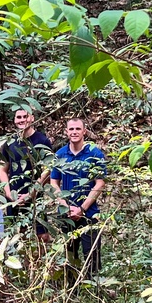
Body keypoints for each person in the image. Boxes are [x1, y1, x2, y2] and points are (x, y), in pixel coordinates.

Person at [50, 118, 106, 280]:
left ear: (84, 132)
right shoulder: (60, 154)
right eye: (71, 129)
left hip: (89, 214)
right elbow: (54, 181)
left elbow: (100, 182)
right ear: (66, 132)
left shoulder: (94, 153)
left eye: (77, 129)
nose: (74, 132)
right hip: (66, 214)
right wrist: (64, 205)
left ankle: (93, 292)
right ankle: (71, 291)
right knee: (69, 254)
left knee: (92, 255)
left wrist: (82, 208)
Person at [0, 108, 52, 240]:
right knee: (17, 235)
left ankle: (38, 261)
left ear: (32, 118)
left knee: (42, 236)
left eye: (25, 116)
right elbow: (2, 169)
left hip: (35, 197)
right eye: (19, 117)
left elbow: (48, 169)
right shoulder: (9, 143)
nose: (22, 120)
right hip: (14, 198)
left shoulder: (42, 141)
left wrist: (32, 193)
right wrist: (9, 193)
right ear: (14, 120)